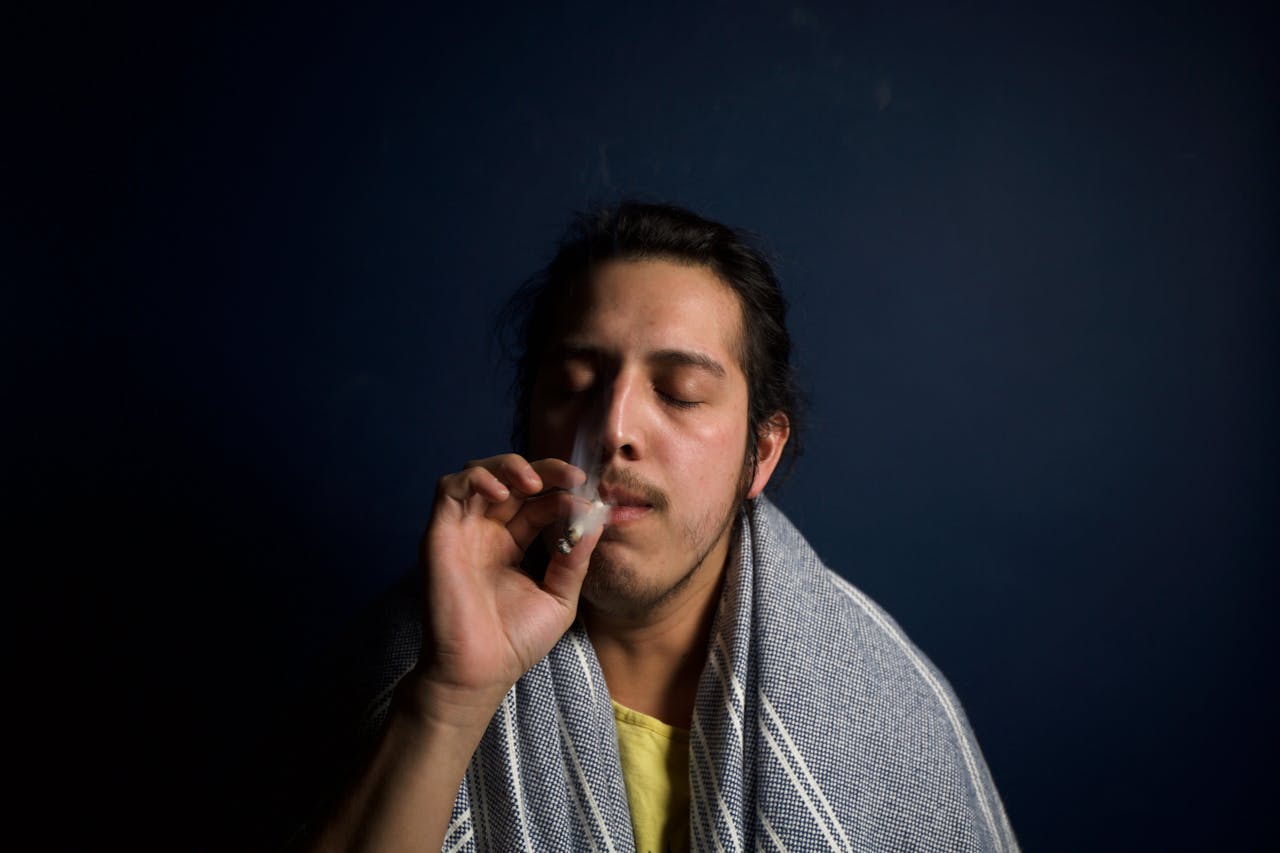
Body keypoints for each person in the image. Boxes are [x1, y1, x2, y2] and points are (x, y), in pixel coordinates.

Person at [298, 201, 1018, 852]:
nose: (612, 429)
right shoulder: (405, 662)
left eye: (680, 393)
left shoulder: (889, 717)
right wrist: (450, 701)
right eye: (574, 387)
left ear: (758, 455)